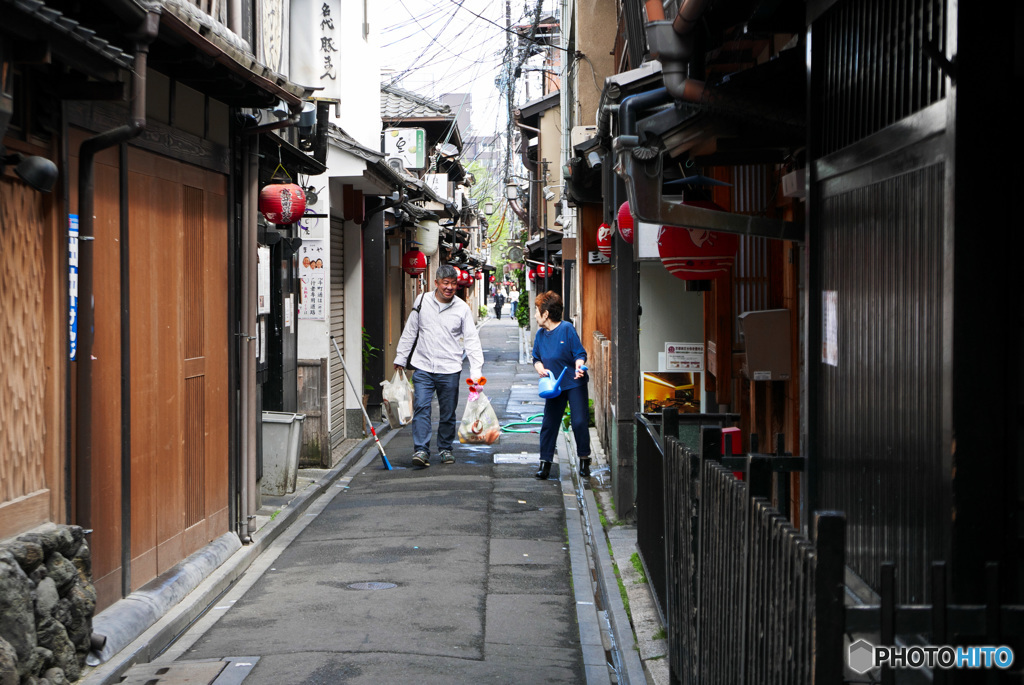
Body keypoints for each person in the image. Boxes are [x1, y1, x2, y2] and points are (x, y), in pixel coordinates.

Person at [393, 264, 484, 467]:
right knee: (422, 407)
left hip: (450, 368)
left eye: (453, 283)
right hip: (423, 366)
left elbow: (471, 340)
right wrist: (401, 357)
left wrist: (476, 370)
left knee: (448, 412)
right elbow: (410, 331)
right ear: (436, 283)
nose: (449, 287)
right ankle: (421, 450)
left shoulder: (462, 309)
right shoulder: (422, 301)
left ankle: (444, 448)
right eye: (445, 283)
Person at [531, 291, 591, 479]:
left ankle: (584, 458)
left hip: (573, 383)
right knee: (549, 424)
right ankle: (545, 463)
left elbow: (580, 354)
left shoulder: (567, 329)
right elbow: (536, 358)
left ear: (546, 314)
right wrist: (539, 368)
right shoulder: (540, 335)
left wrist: (579, 365)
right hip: (553, 386)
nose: (535, 315)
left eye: (536, 311)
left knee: (579, 422)